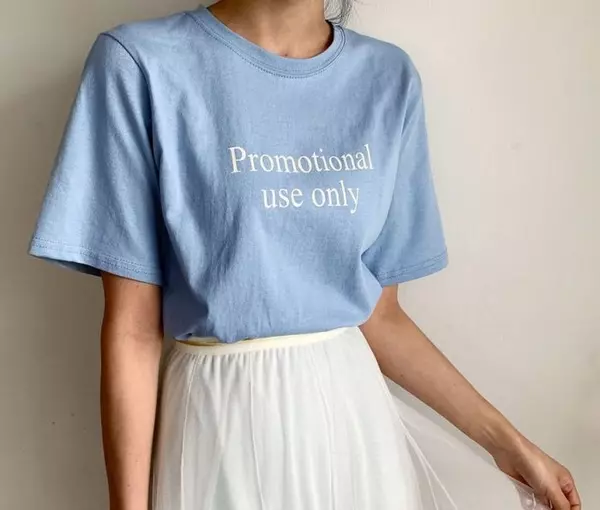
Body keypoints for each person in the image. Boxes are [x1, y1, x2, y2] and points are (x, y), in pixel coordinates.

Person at [28, 1, 581, 509]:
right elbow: (132, 329)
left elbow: (380, 316)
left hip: (352, 427)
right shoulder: (140, 63)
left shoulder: (387, 78)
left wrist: (508, 444)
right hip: (217, 425)